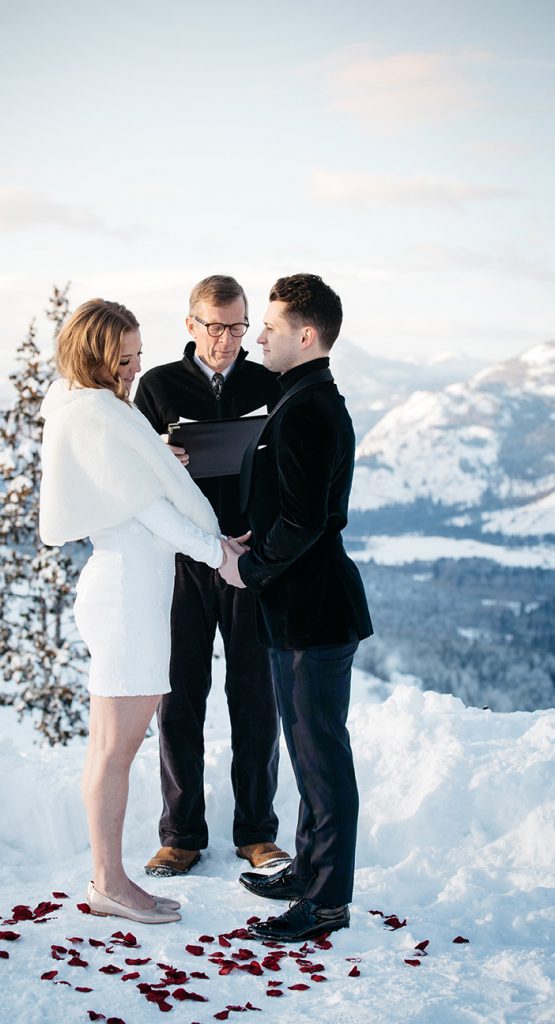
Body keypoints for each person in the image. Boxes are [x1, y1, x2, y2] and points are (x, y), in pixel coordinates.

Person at [39, 297, 233, 925]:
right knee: (116, 749)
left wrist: (159, 459)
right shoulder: (97, 415)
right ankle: (110, 882)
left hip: (128, 591)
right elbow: (149, 511)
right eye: (121, 360)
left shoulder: (98, 410)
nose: (132, 370)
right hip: (126, 596)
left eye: (137, 357)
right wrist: (217, 553)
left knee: (110, 746)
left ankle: (108, 879)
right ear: (93, 357)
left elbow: (135, 482)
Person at [219, 273, 373, 942]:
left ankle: (327, 902)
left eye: (270, 329)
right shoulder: (301, 398)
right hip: (294, 611)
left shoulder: (311, 407)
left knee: (321, 758)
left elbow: (306, 519)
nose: (257, 338)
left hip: (314, 612)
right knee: (308, 750)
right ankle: (306, 870)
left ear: (305, 336)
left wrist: (248, 567)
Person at [133, 275, 288, 877]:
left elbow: (286, 468)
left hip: (249, 562)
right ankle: (181, 836)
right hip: (183, 564)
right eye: (215, 327)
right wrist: (159, 458)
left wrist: (264, 545)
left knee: (255, 697)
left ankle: (256, 832)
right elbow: (133, 473)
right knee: (179, 699)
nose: (227, 340)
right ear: (190, 325)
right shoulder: (158, 386)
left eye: (238, 326)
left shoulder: (267, 383)